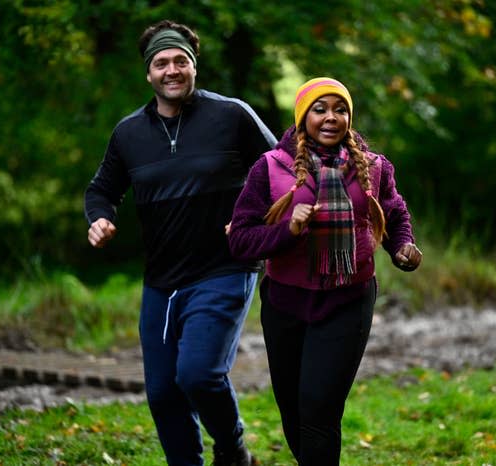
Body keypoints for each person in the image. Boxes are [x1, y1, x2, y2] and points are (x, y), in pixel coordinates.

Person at [84, 19, 276, 466]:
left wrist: (258, 221)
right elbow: (101, 190)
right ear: (149, 74)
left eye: (180, 61)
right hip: (162, 282)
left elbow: (281, 169)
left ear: (194, 67)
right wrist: (99, 218)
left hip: (226, 267)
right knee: (163, 392)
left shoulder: (231, 115)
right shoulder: (129, 133)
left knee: (198, 375)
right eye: (161, 63)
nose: (172, 70)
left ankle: (233, 448)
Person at [227, 77, 422, 465]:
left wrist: (402, 246)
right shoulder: (270, 168)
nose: (331, 117)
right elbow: (241, 239)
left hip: (348, 300)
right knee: (294, 412)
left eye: (340, 109)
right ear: (303, 117)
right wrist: (288, 230)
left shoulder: (373, 167)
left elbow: (395, 211)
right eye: (321, 109)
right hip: (285, 302)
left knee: (319, 408)